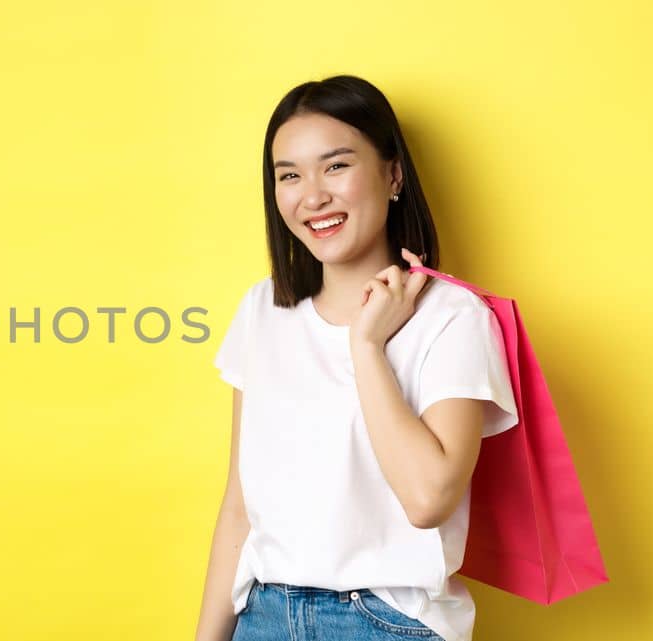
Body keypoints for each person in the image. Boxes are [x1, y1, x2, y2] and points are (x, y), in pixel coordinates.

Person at [192, 75, 520, 641]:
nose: (312, 195)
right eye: (289, 175)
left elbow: (427, 499)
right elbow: (240, 509)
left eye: (336, 166)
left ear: (393, 175)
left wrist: (366, 346)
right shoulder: (262, 310)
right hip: (261, 617)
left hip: (385, 623)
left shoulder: (453, 318)